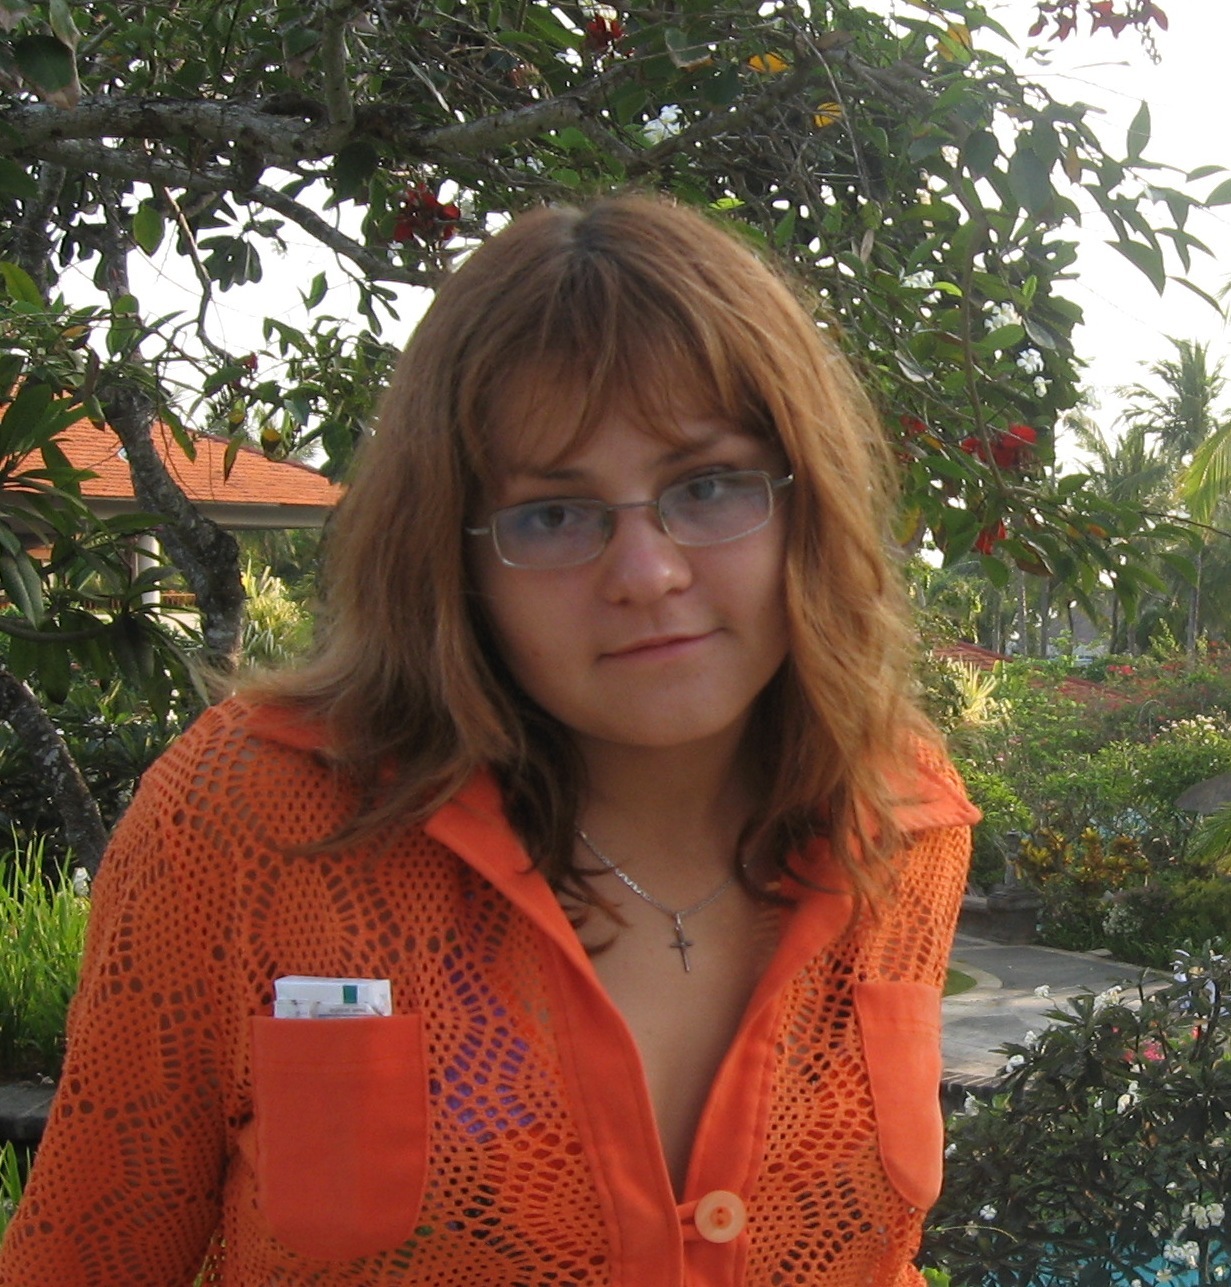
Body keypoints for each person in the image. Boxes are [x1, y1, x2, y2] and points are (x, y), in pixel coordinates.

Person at [0, 194, 978, 1286]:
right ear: (451, 556)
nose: (647, 574)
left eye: (707, 487)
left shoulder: (901, 821)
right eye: (553, 514)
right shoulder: (249, 818)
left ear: (808, 501)